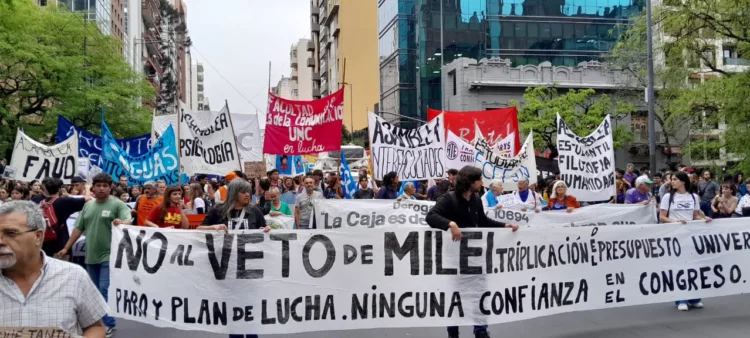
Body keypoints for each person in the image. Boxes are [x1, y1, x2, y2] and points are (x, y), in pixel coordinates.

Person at [425, 166, 518, 338]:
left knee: (479, 294)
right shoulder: (448, 199)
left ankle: (480, 330)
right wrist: (451, 224)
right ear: (470, 182)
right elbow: (431, 217)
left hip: (475, 259)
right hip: (454, 260)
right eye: (479, 180)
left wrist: (505, 226)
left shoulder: (476, 199)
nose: (482, 183)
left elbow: (482, 220)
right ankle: (453, 332)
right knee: (455, 297)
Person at [0, 201, 108, 337]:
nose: (1, 241)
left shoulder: (73, 276)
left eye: (10, 233)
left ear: (38, 237)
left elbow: (95, 327)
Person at [56, 173, 132, 336]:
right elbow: (78, 228)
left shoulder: (117, 205)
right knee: (94, 291)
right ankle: (97, 322)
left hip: (110, 255)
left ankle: (108, 324)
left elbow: (128, 220)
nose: (101, 188)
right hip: (91, 255)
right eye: (98, 185)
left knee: (104, 290)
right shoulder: (88, 206)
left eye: (105, 186)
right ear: (93, 187)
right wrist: (66, 248)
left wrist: (122, 222)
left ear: (110, 187)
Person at [659, 171, 711, 311]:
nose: (672, 182)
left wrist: (704, 219)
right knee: (679, 267)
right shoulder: (667, 197)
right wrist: (675, 221)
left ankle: (694, 298)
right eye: (671, 179)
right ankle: (680, 299)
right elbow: (662, 217)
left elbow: (695, 215)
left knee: (694, 266)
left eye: (675, 179)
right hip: (675, 235)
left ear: (683, 181)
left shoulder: (693, 197)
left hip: (691, 235)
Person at [38, 177, 90, 257]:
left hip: (43, 242)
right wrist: (87, 188)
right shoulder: (64, 201)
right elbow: (87, 199)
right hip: (60, 243)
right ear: (59, 189)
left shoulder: (39, 201)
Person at [199, 179, 270, 232]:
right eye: (243, 192)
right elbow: (199, 229)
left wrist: (266, 230)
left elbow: (264, 229)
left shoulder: (254, 210)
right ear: (233, 193)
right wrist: (213, 228)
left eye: (248, 191)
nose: (247, 194)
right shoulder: (217, 209)